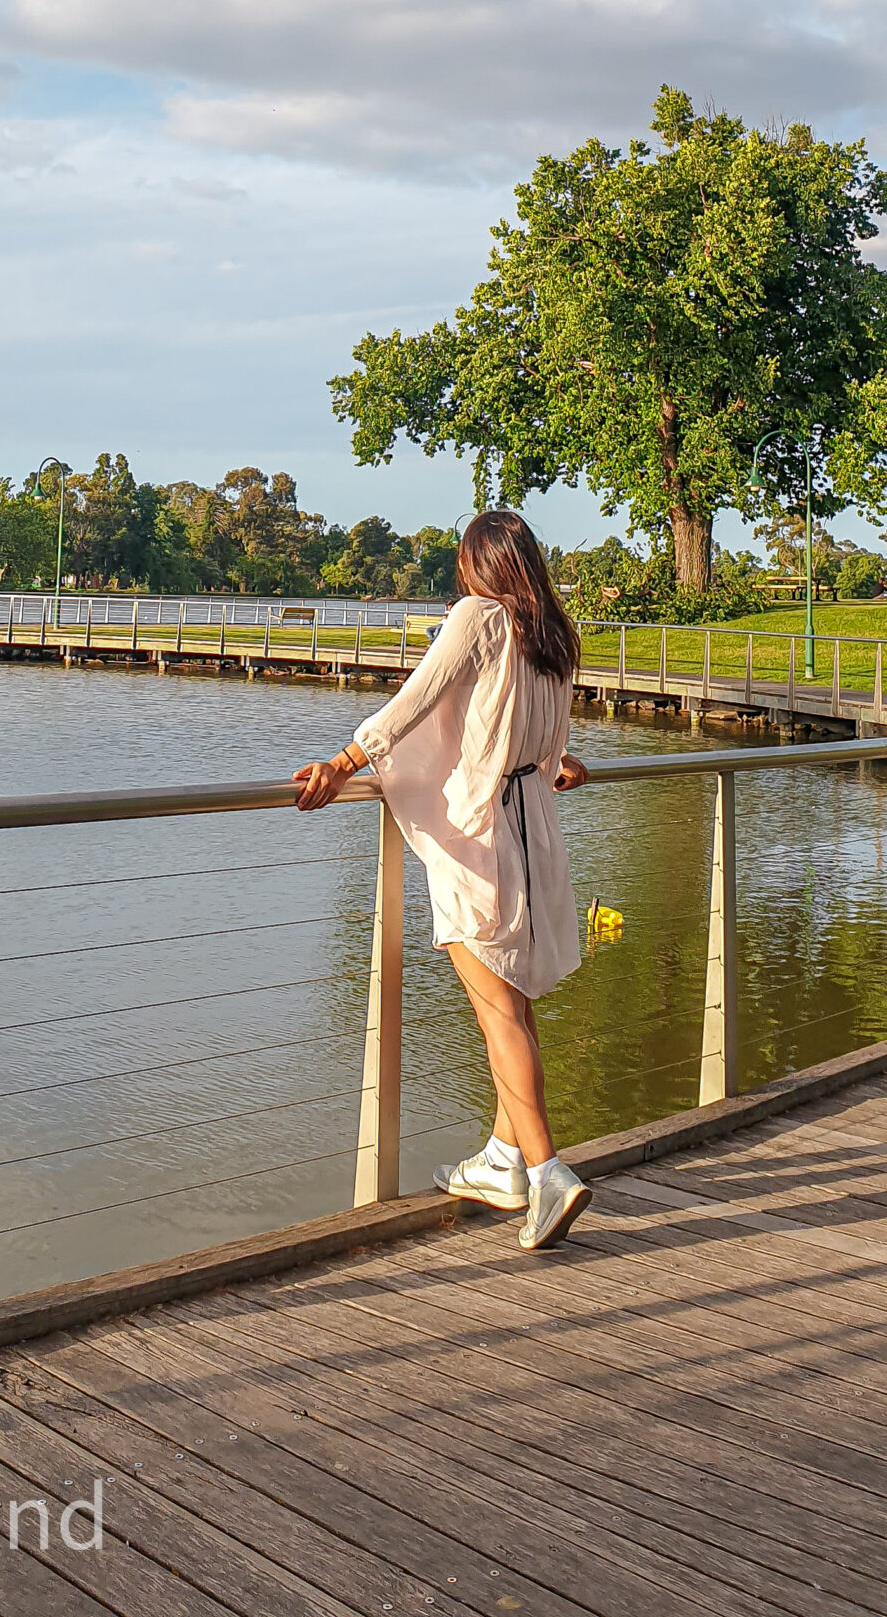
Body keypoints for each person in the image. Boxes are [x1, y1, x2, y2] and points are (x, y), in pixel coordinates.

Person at [292, 508, 593, 1250]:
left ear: (478, 566)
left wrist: (343, 762)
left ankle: (549, 1172)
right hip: (533, 831)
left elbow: (416, 699)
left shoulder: (479, 618)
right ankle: (502, 1160)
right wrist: (559, 764)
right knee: (514, 1009)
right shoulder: (552, 630)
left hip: (479, 837)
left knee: (497, 1014)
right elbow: (536, 731)